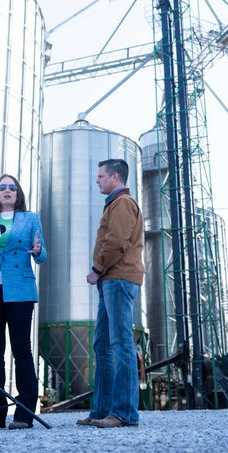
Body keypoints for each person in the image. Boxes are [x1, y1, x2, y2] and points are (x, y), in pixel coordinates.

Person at [0, 174, 46, 430]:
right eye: (2, 187)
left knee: (22, 350)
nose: (7, 191)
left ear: (18, 193)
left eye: (12, 188)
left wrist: (37, 251)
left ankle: (24, 413)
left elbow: (42, 254)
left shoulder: (30, 218)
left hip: (20, 290)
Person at [78, 159, 144, 428]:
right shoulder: (114, 204)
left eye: (100, 176)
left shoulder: (123, 204)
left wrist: (97, 267)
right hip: (110, 280)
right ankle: (101, 411)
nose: (97, 180)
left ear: (115, 177)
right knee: (102, 345)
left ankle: (125, 413)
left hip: (117, 278)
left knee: (121, 345)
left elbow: (116, 242)